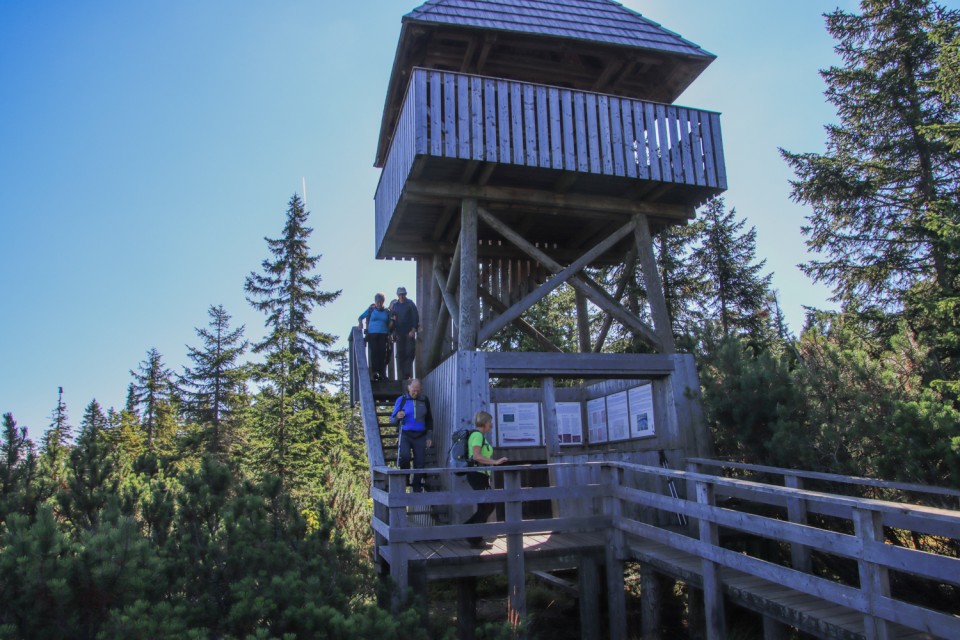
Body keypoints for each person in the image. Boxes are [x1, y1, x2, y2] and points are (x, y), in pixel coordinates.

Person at [463, 410, 508, 549]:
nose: (491, 425)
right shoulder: (477, 435)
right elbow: (476, 456)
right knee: (488, 505)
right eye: (490, 422)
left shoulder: (480, 436)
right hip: (477, 474)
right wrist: (495, 462)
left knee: (487, 505)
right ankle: (473, 536)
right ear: (484, 422)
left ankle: (471, 532)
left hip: (481, 475)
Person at [390, 378, 433, 492]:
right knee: (405, 457)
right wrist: (397, 416)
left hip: (420, 434)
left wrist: (429, 436)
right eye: (414, 390)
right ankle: (405, 479)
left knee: (420, 462)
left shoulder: (424, 400)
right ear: (409, 388)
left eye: (418, 390)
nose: (416, 393)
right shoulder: (402, 400)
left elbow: (429, 420)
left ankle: (417, 486)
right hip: (405, 434)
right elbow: (392, 420)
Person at [358, 293, 391, 381]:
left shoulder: (387, 311)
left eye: (381, 302)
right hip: (372, 334)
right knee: (375, 352)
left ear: (383, 302)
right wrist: (360, 324)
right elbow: (360, 317)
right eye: (377, 302)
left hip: (383, 334)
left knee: (383, 354)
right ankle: (375, 372)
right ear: (375, 302)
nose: (379, 304)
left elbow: (391, 322)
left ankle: (382, 373)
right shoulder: (371, 310)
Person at [389, 286, 420, 381]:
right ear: (397, 295)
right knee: (400, 354)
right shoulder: (395, 305)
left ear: (405, 294)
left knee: (410, 353)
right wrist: (393, 332)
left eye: (403, 294)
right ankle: (403, 375)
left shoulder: (410, 304)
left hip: (409, 332)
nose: (401, 296)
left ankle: (407, 374)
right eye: (400, 294)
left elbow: (415, 316)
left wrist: (414, 329)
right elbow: (393, 319)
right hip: (399, 333)